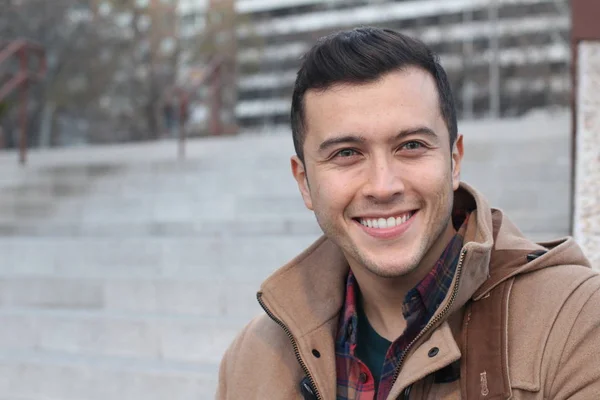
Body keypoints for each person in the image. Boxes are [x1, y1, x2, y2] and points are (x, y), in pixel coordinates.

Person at [217, 27, 600, 399]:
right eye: (347, 153)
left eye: (411, 145)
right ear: (304, 182)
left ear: (454, 161)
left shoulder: (573, 322)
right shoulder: (250, 360)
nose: (383, 186)